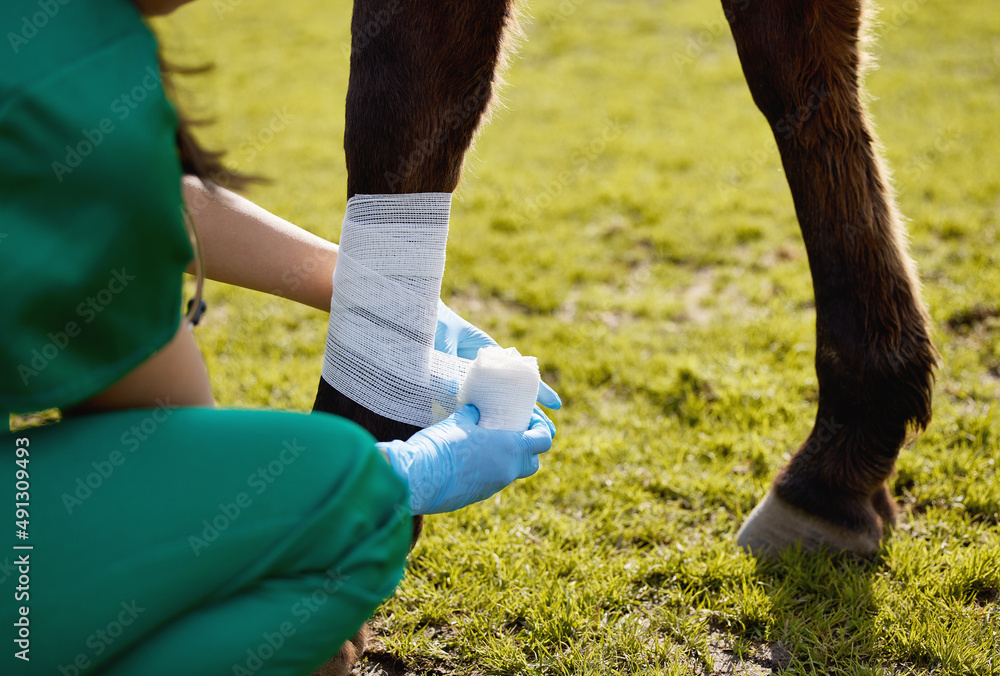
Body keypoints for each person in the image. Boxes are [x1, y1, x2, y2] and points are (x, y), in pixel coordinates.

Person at [0, 0, 559, 673]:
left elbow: (118, 195)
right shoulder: (78, 68)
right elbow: (176, 470)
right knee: (328, 521)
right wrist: (400, 477)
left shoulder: (40, 41)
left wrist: (369, 291)